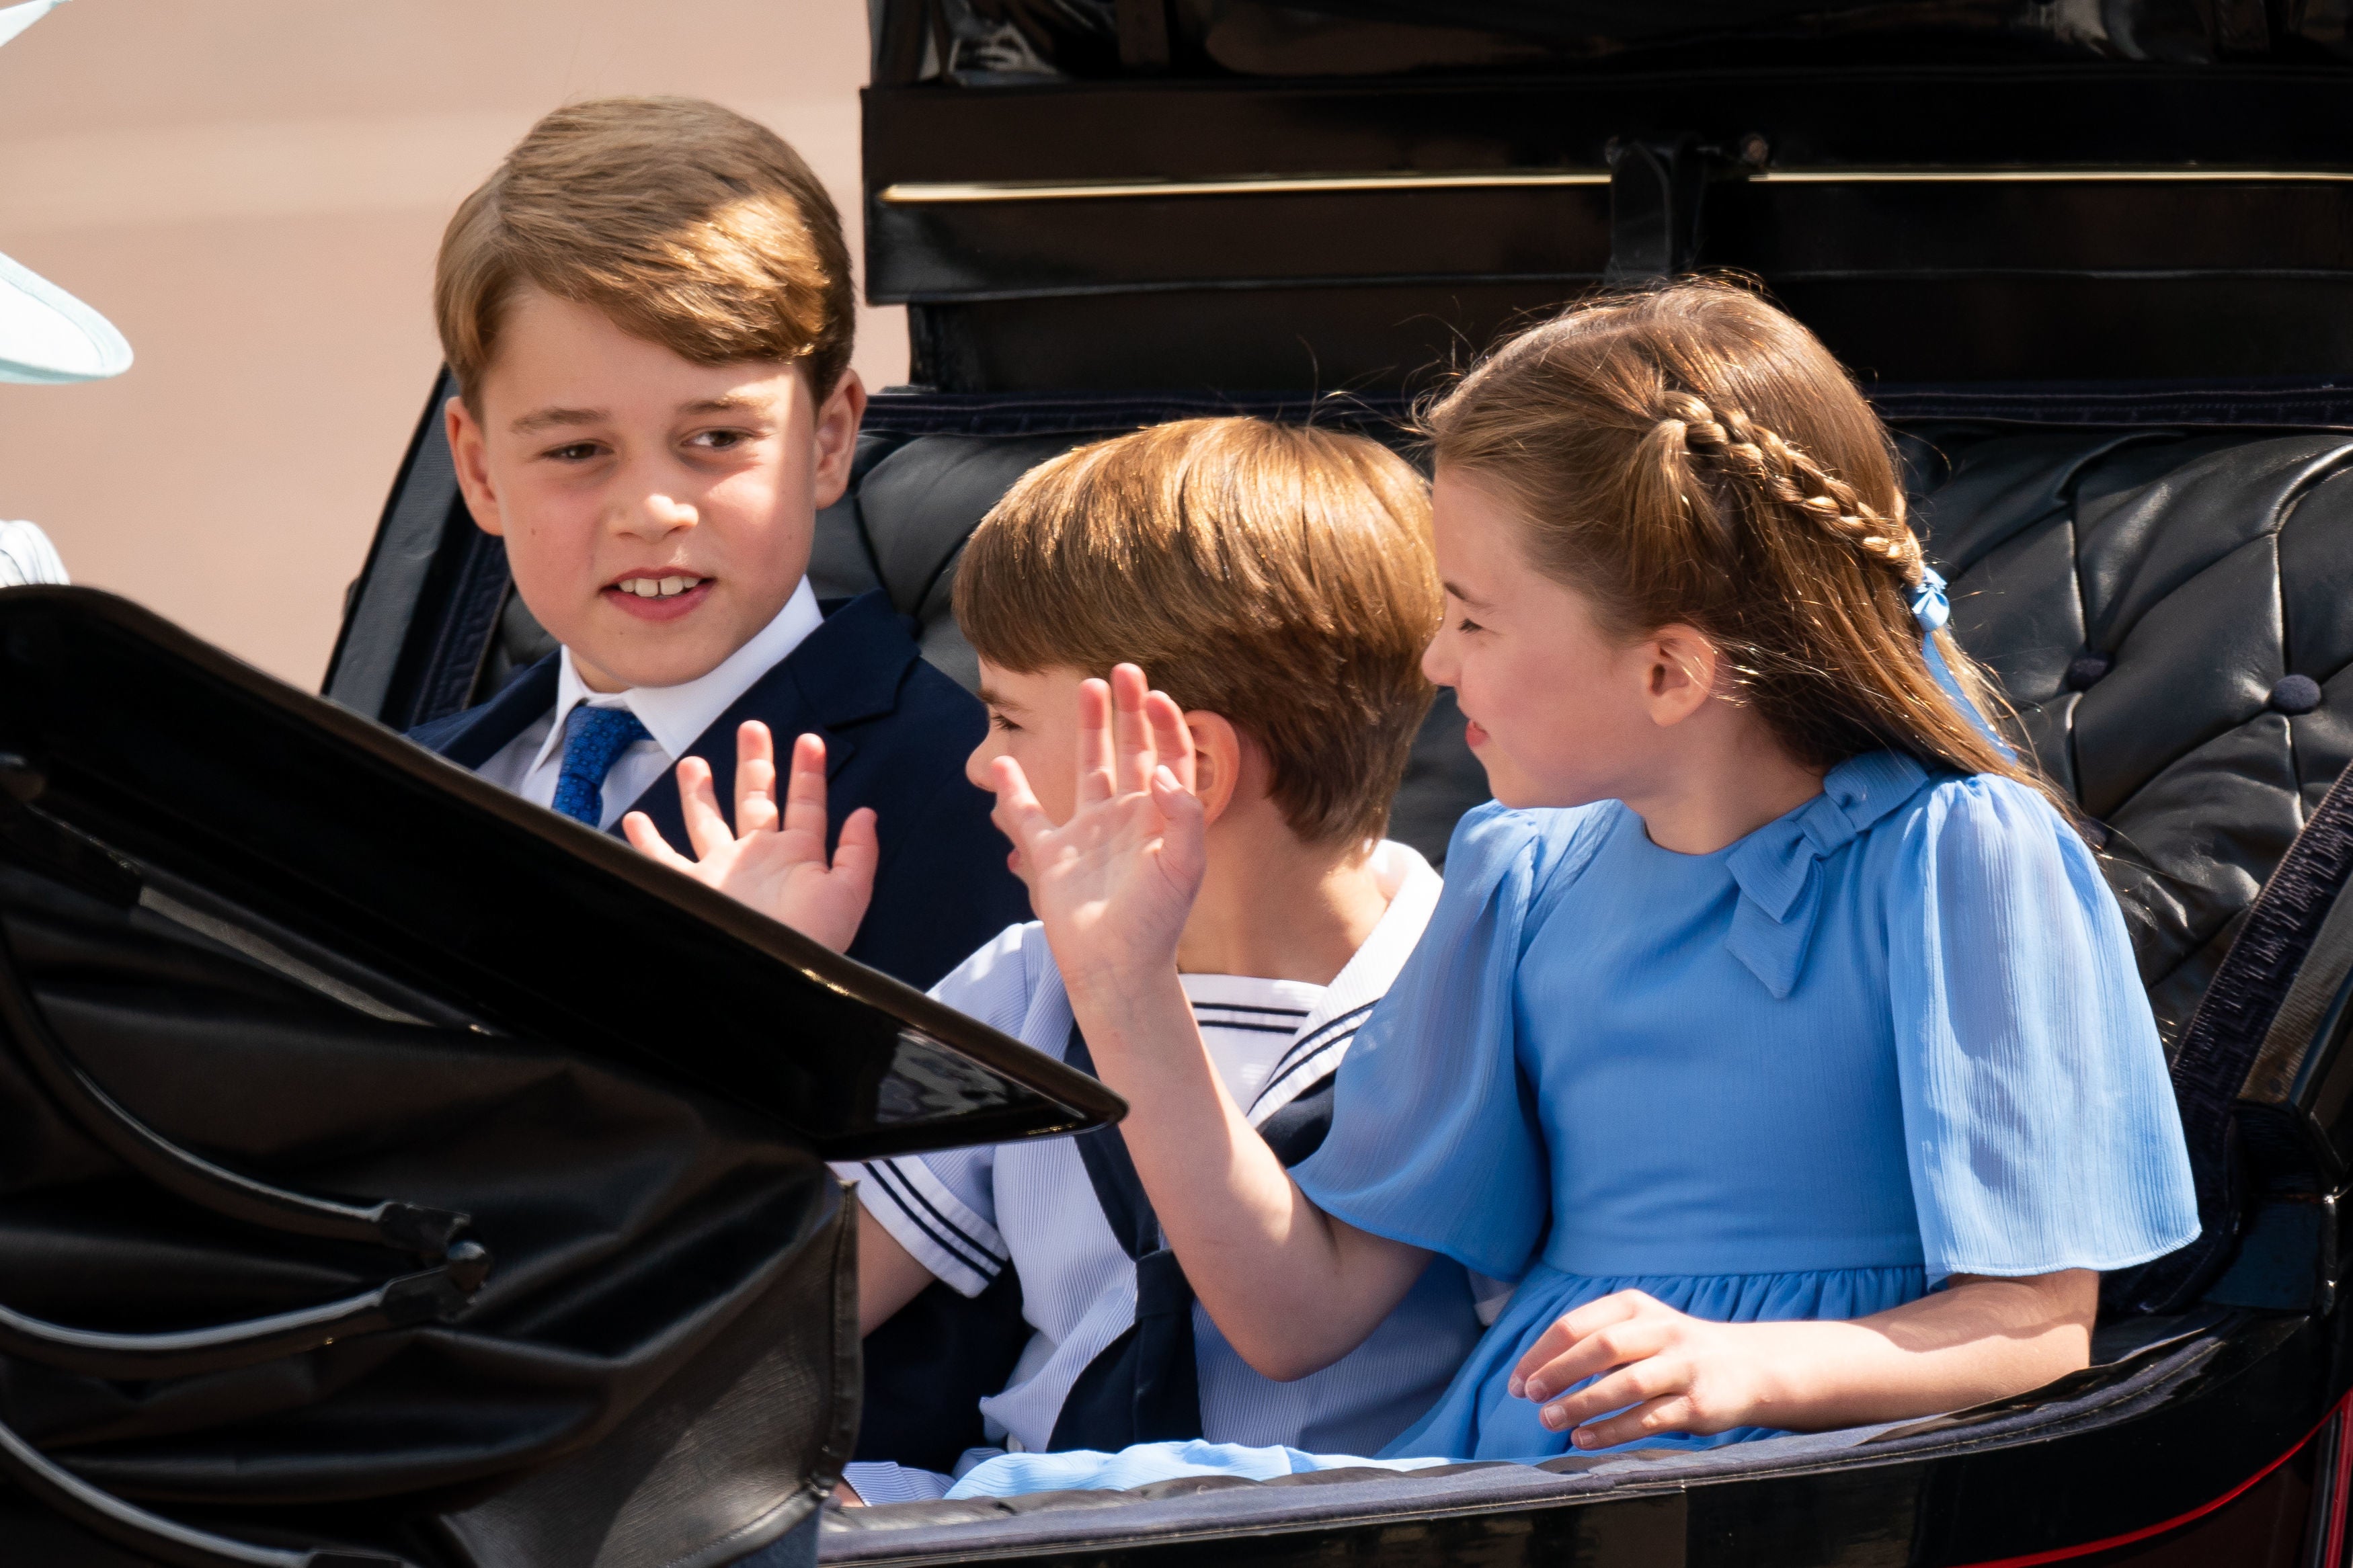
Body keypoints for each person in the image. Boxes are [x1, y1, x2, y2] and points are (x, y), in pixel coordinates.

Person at [922, 280, 2198, 1493]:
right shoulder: (1516, 877)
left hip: (1794, 1484)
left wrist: (1744, 1363)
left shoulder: (1957, 858)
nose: (1433, 660)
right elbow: (1291, 1313)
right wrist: (1123, 981)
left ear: (1669, 672)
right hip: (1510, 1477)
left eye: (1473, 619)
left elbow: (2036, 1331)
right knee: (1025, 1509)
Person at [635, 417, 1495, 1499]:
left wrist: (1123, 986)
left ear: (1181, 762)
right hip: (1007, 1518)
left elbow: (1288, 1328)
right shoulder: (1022, 983)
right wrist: (751, 1005)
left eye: (1007, 719)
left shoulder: (1463, 985)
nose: (979, 762)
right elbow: (770, 1308)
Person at [406, 97, 1027, 989]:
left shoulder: (977, 807)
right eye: (577, 450)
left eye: (717, 438)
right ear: (479, 469)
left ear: (828, 438)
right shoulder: (396, 786)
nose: (653, 510)